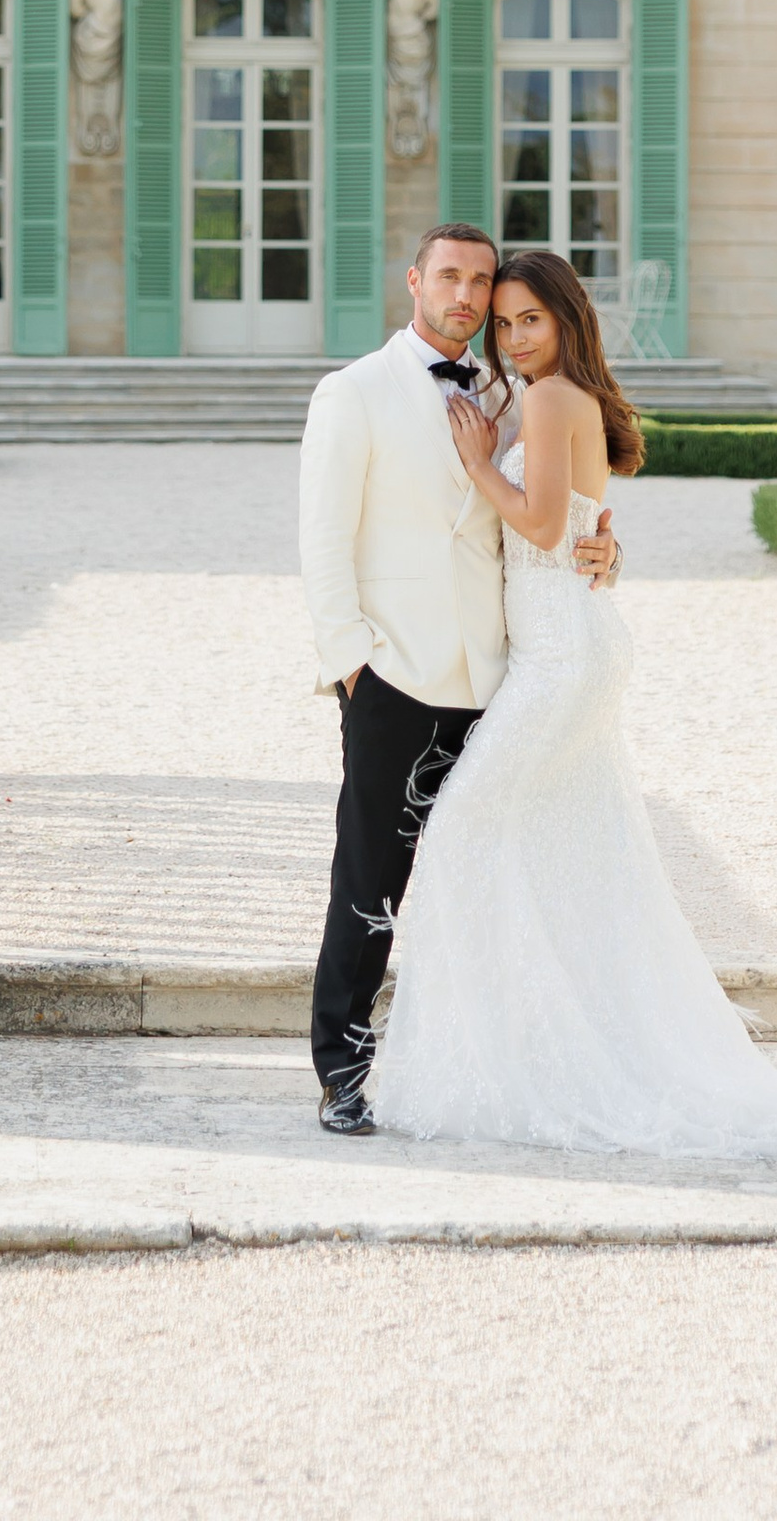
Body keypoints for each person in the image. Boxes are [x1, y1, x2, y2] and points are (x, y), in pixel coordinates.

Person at [364, 248, 777, 1157]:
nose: (511, 336)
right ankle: (555, 1050)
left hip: (561, 661)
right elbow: (575, 527)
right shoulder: (546, 396)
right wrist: (597, 545)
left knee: (468, 826)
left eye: (528, 321)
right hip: (565, 645)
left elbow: (546, 525)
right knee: (566, 859)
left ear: (567, 321)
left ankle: (518, 1062)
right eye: (503, 323)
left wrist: (479, 463)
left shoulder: (547, 399)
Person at [297, 218, 621, 1134]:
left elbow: (552, 506)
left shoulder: (509, 393)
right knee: (370, 877)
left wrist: (604, 548)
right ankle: (344, 1069)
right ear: (414, 281)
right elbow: (323, 542)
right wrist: (350, 668)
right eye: (451, 277)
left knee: (488, 873)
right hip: (395, 673)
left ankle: (475, 1059)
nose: (469, 299)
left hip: (500, 677)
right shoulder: (353, 392)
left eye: (482, 283)